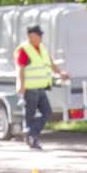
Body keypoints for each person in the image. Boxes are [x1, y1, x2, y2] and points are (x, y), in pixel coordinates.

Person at [16, 23, 70, 151]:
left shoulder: (42, 48)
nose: (41, 37)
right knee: (30, 116)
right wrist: (21, 85)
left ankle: (30, 133)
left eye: (41, 35)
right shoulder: (25, 50)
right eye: (39, 35)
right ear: (31, 36)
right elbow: (21, 69)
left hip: (41, 88)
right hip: (30, 89)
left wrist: (61, 73)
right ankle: (32, 138)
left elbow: (51, 64)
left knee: (47, 112)